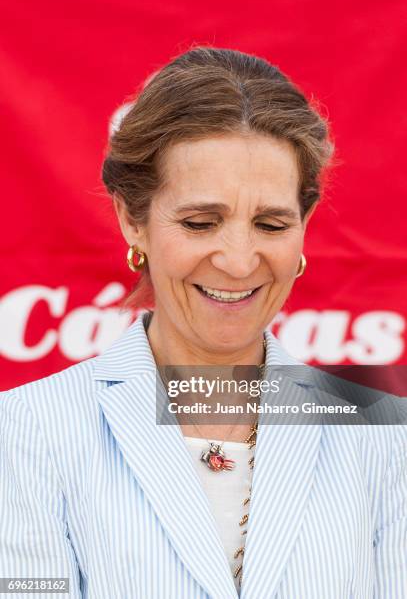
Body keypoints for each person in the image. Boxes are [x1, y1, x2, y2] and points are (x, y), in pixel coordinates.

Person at [1, 46, 406, 599]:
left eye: (269, 224)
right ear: (131, 219)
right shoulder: (29, 430)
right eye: (199, 222)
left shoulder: (379, 435)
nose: (239, 261)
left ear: (305, 223)